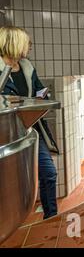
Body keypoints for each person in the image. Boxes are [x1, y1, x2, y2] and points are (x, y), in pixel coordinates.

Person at [0, 26, 58, 219]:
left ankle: (51, 217)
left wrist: (44, 95)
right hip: (7, 134)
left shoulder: (27, 67)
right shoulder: (1, 70)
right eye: (26, 42)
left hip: (30, 129)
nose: (29, 47)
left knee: (49, 173)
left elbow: (39, 89)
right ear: (13, 43)